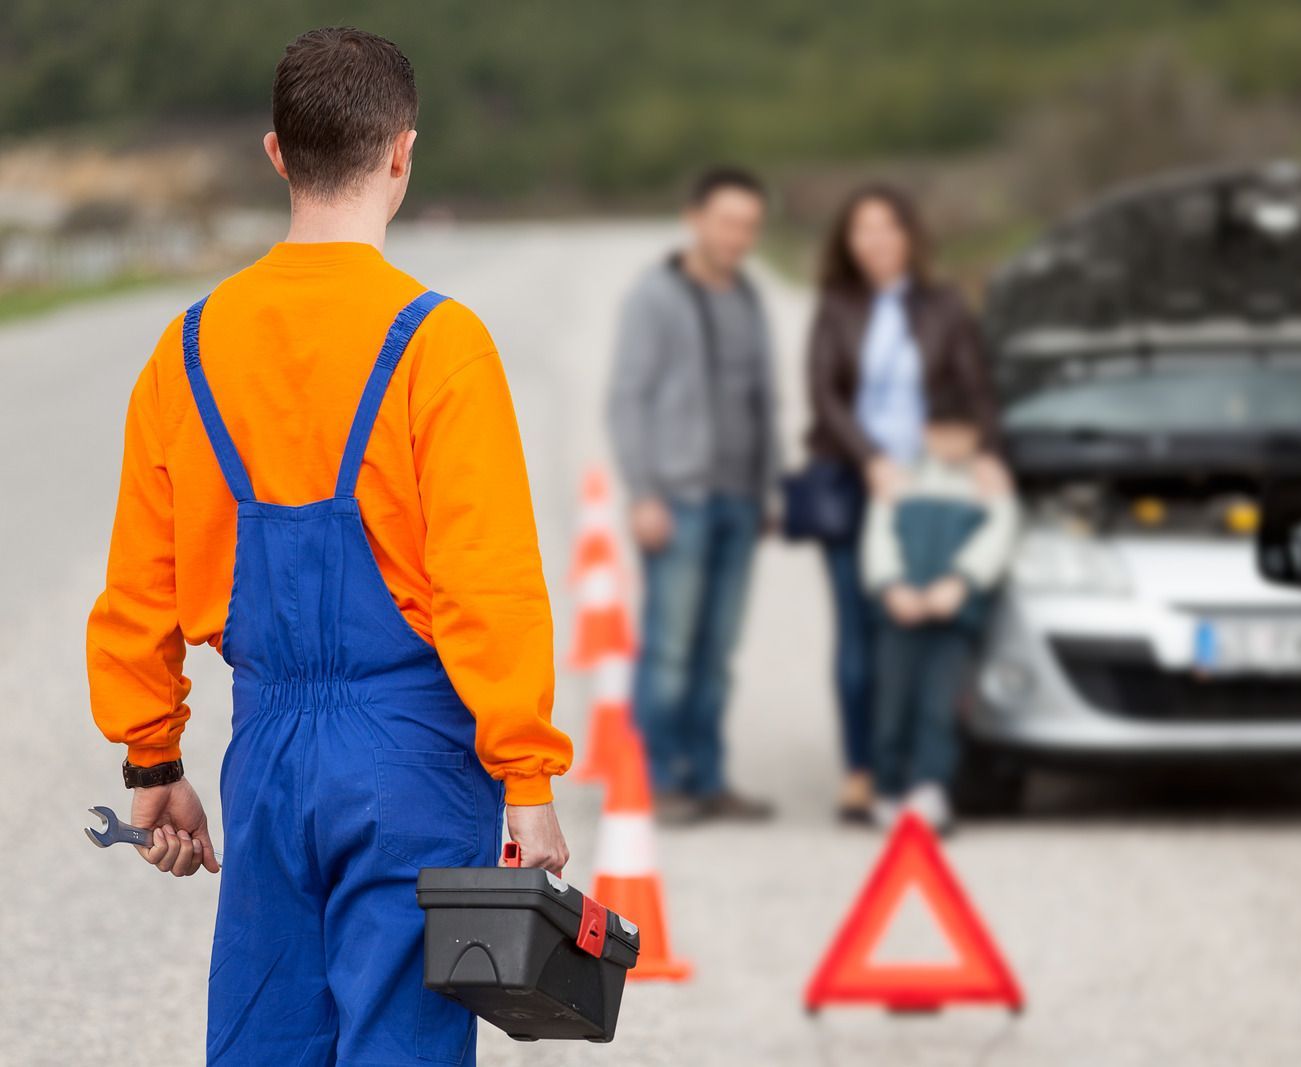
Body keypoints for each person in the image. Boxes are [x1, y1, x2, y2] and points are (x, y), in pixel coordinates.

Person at [84, 28, 571, 1064]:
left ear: (275, 155)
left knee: (267, 1032)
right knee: (401, 1037)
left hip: (266, 754)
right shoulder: (438, 344)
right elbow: (488, 580)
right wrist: (525, 776)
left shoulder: (186, 347)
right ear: (402, 152)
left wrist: (152, 755)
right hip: (412, 754)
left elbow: (139, 581)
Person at [803, 183, 999, 823]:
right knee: (859, 636)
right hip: (853, 482)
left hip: (925, 490)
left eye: (888, 227)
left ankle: (923, 772)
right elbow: (825, 395)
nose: (877, 241)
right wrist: (872, 461)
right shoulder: (835, 306)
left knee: (923, 630)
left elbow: (974, 387)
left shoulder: (944, 305)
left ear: (909, 235)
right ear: (847, 241)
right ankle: (863, 771)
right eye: (863, 229)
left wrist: (987, 454)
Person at [606, 166, 780, 824]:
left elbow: (764, 398)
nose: (739, 236)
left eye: (750, 226)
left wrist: (767, 489)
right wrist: (643, 492)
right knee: (672, 648)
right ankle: (657, 778)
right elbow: (628, 399)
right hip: (678, 499)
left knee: (717, 653)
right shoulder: (655, 296)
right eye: (729, 221)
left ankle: (708, 777)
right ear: (696, 218)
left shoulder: (749, 296)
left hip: (739, 497)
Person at [862, 387, 1019, 834]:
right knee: (892, 703)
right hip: (900, 615)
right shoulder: (902, 481)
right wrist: (891, 586)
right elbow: (878, 537)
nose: (951, 443)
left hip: (952, 618)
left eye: (961, 434)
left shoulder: (986, 485)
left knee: (940, 705)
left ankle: (930, 788)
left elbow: (999, 536)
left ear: (975, 436)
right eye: (941, 432)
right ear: (925, 433)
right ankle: (888, 788)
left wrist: (961, 582)